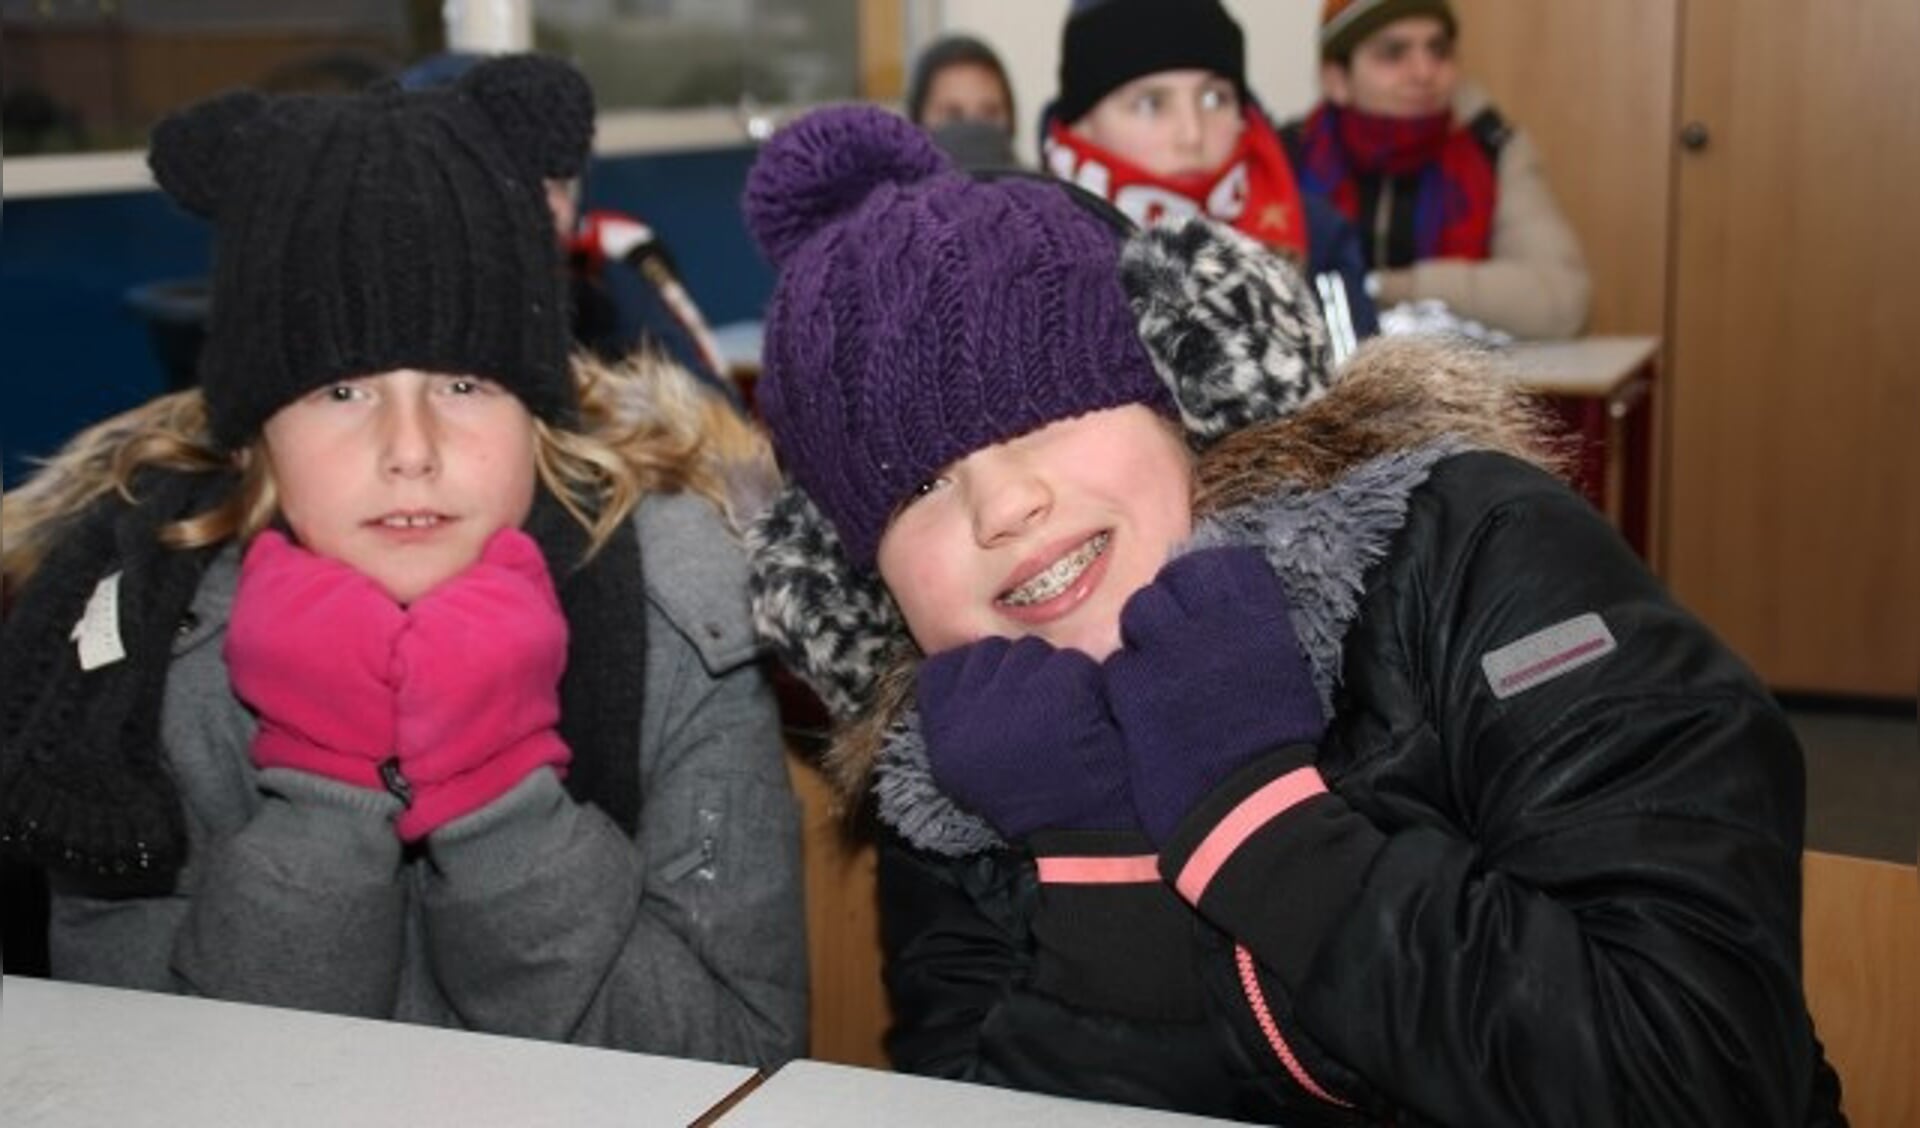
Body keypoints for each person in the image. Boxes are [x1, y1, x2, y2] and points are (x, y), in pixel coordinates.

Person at [740, 105, 1844, 1125]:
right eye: (918, 488)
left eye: (1042, 414)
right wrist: (1105, 881)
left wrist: (1263, 829)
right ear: (854, 585)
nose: (1004, 504)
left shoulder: (1474, 553)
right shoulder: (955, 762)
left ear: (1194, 386)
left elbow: (1700, 1070)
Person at [0, 55, 807, 1067]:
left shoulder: (682, 618)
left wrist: (501, 799)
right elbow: (130, 1080)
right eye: (342, 391)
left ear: (536, 411)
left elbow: (741, 1057)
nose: (410, 446)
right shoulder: (138, 652)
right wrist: (327, 798)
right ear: (255, 434)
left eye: (465, 382)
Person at [401, 51, 740, 407]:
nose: (558, 209)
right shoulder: (390, 301)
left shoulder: (605, 261)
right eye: (524, 184)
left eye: (563, 184)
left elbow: (717, 417)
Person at [1040, 0, 1378, 349]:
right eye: (1150, 104)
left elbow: (1358, 392)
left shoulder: (1313, 235)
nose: (1192, 135)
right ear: (1080, 127)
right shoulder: (1030, 254)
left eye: (1215, 99)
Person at [1282, 0, 1590, 339]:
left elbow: (1561, 301)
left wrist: (1388, 287)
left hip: (1467, 385)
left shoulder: (1492, 150)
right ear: (1335, 79)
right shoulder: (1286, 158)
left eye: (1438, 50)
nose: (1424, 72)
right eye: (1393, 53)